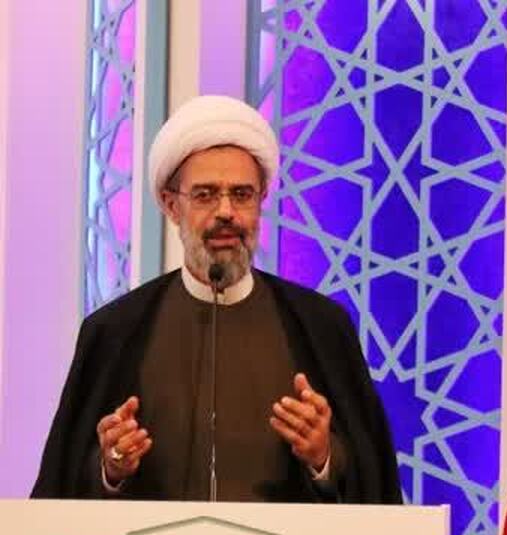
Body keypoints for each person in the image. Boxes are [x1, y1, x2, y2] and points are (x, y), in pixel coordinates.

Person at [32, 95, 401, 503]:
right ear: (172, 205)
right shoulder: (115, 330)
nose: (226, 212)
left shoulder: (321, 325)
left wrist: (323, 456)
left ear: (261, 201)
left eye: (241, 194)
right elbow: (65, 485)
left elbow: (371, 482)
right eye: (206, 195)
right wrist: (111, 469)